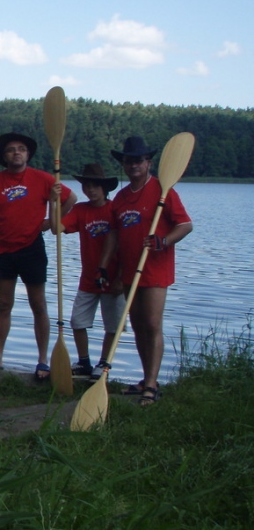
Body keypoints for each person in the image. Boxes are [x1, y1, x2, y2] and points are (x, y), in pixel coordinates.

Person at [0, 132, 77, 380]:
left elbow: (71, 198)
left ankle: (42, 360)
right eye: (10, 150)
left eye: (20, 149)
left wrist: (52, 220)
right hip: (3, 250)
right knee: (4, 305)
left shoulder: (42, 179)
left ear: (27, 154)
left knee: (38, 305)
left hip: (32, 249)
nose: (16, 152)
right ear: (4, 156)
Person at [98, 137, 193, 405]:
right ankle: (144, 378)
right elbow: (114, 233)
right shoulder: (121, 197)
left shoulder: (164, 191)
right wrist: (104, 264)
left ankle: (152, 383)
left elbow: (185, 225)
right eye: (129, 161)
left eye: (138, 160)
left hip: (155, 269)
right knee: (139, 326)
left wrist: (164, 241)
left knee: (152, 324)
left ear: (148, 163)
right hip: (130, 269)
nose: (133, 165)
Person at [57, 164, 126, 380]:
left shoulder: (116, 210)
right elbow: (57, 227)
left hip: (114, 277)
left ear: (104, 187)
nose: (90, 190)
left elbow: (126, 246)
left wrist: (121, 278)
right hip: (88, 278)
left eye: (95, 185)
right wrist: (54, 202)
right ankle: (84, 361)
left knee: (113, 325)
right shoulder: (80, 210)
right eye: (86, 186)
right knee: (77, 321)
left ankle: (104, 362)